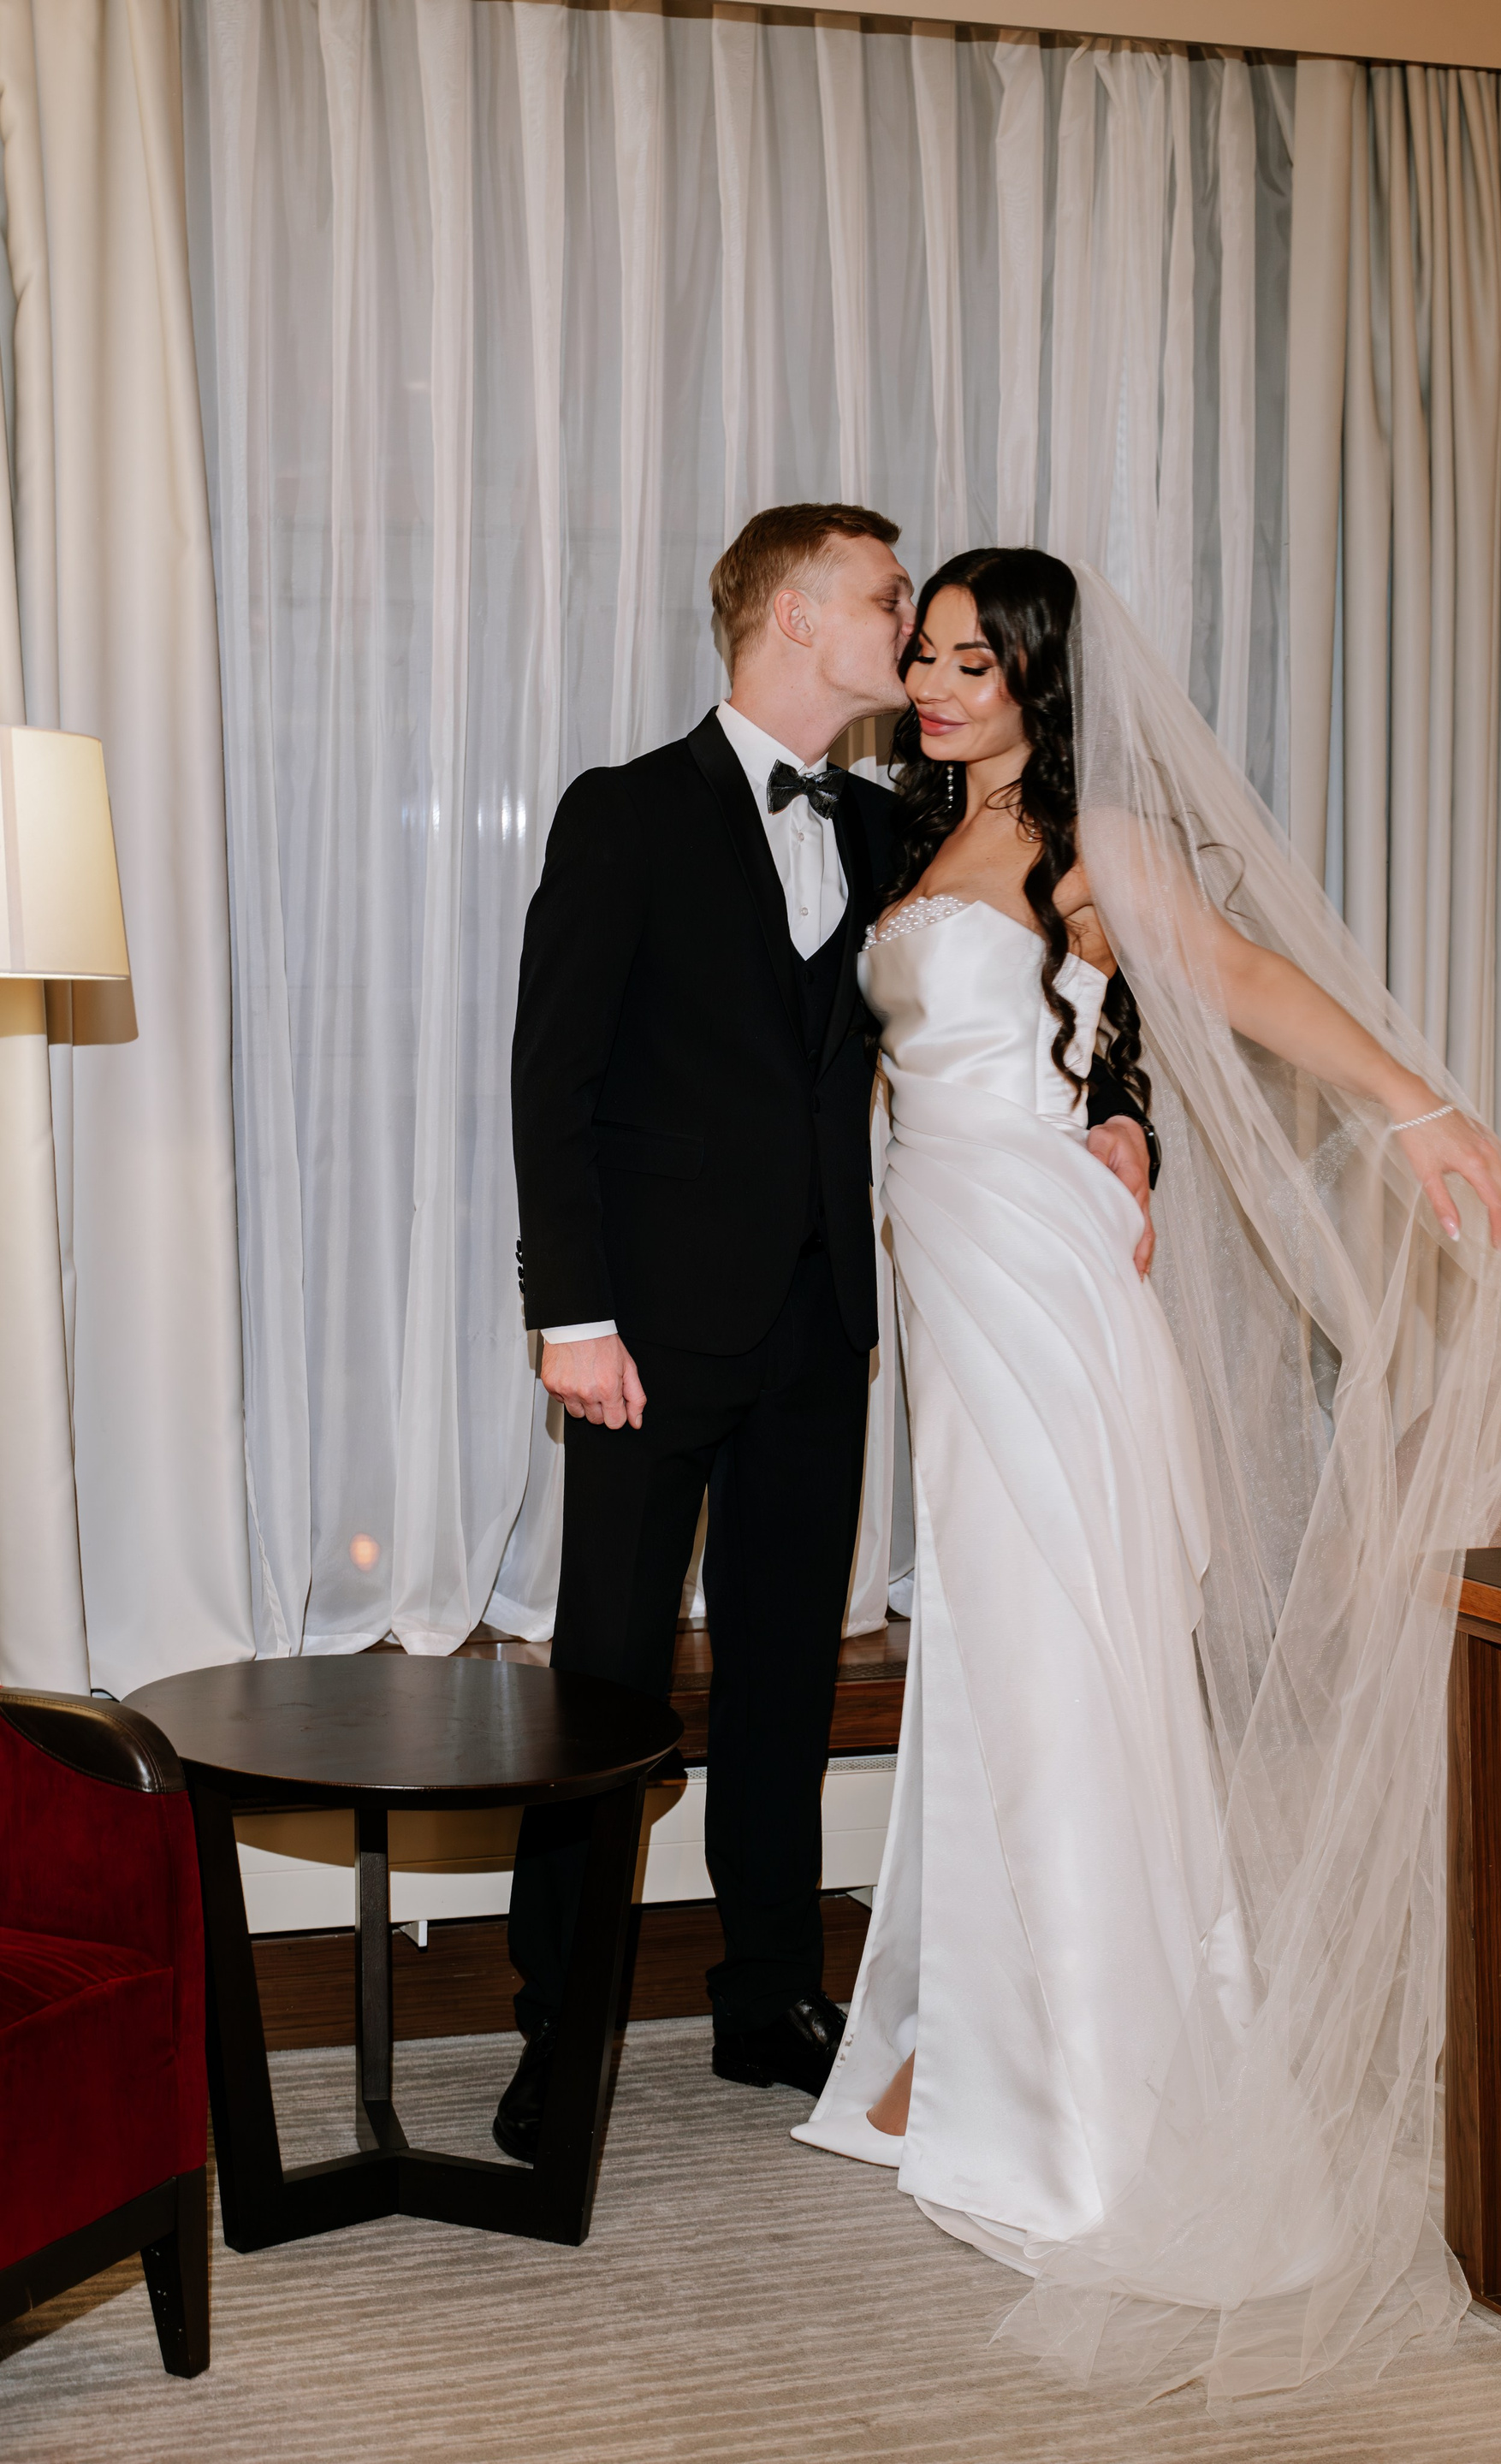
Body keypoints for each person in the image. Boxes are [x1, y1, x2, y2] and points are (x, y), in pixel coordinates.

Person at [795, 548, 1501, 2400]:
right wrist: (1114, 1106)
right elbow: (1006, 1052)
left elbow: (1240, 979)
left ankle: (1095, 2099)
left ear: (1042, 681)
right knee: (996, 1670)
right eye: (926, 653)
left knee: (1060, 1672)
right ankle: (980, 2042)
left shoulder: (1093, 841)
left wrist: (1419, 1105)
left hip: (1046, 1303)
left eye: (974, 662)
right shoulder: (922, 837)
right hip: (960, 1298)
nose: (936, 684)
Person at [499, 509, 1155, 2162]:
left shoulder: (892, 827)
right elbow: (550, 1080)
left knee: (786, 1676)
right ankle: (556, 2020)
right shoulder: (625, 810)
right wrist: (570, 1318)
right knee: (604, 1684)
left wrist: (1126, 1115)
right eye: (887, 602)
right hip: (641, 1339)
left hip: (821, 1327)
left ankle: (772, 1995)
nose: (912, 638)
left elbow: (1077, 972)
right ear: (796, 616)